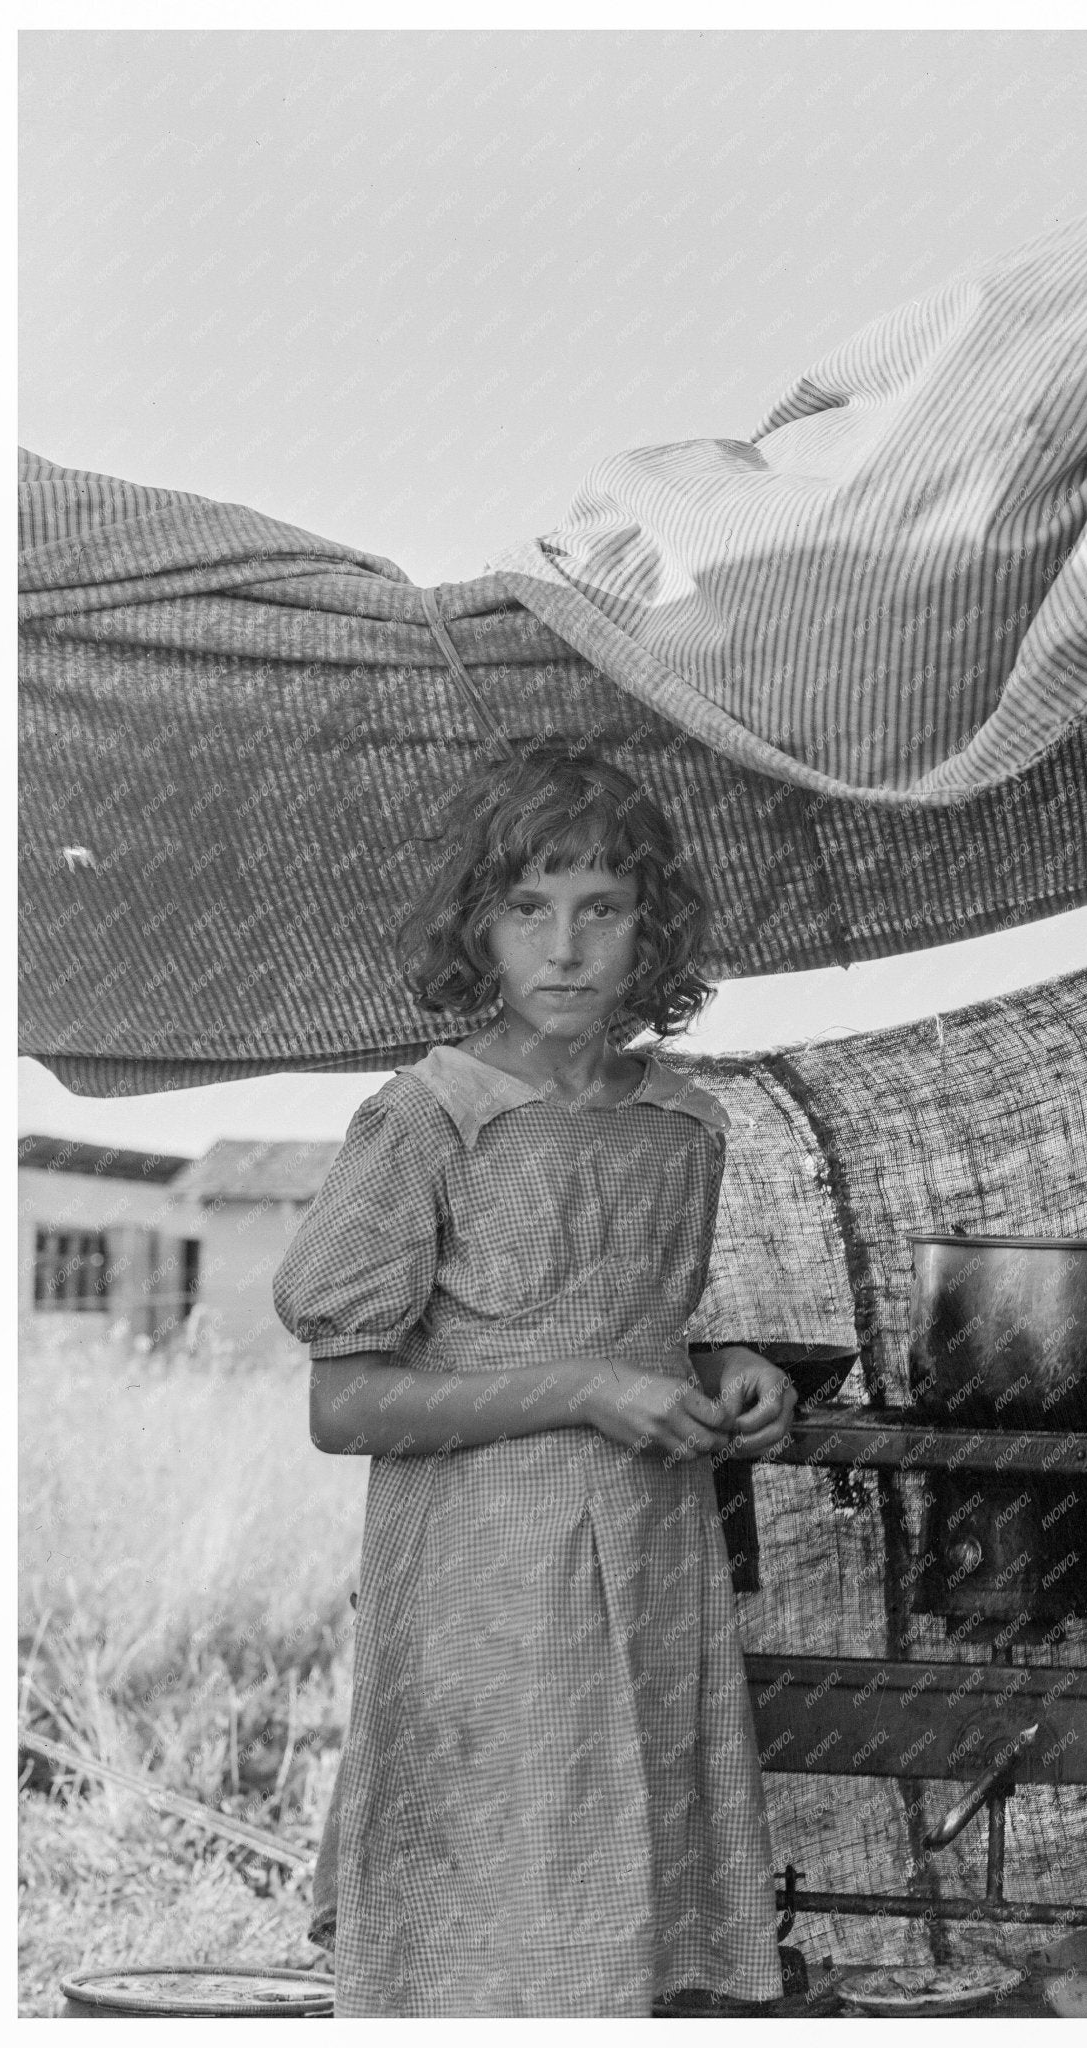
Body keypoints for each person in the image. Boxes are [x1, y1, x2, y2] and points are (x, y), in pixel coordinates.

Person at [274, 743, 795, 2017]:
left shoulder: (683, 1123)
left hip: (650, 1557)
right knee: (489, 1919)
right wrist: (577, 1387)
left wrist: (718, 1367)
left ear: (650, 930)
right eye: (528, 909)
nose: (565, 949)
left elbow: (629, 1312)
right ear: (478, 928)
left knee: (621, 1923)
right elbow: (343, 1404)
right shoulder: (429, 1115)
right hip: (482, 1583)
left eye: (602, 910)